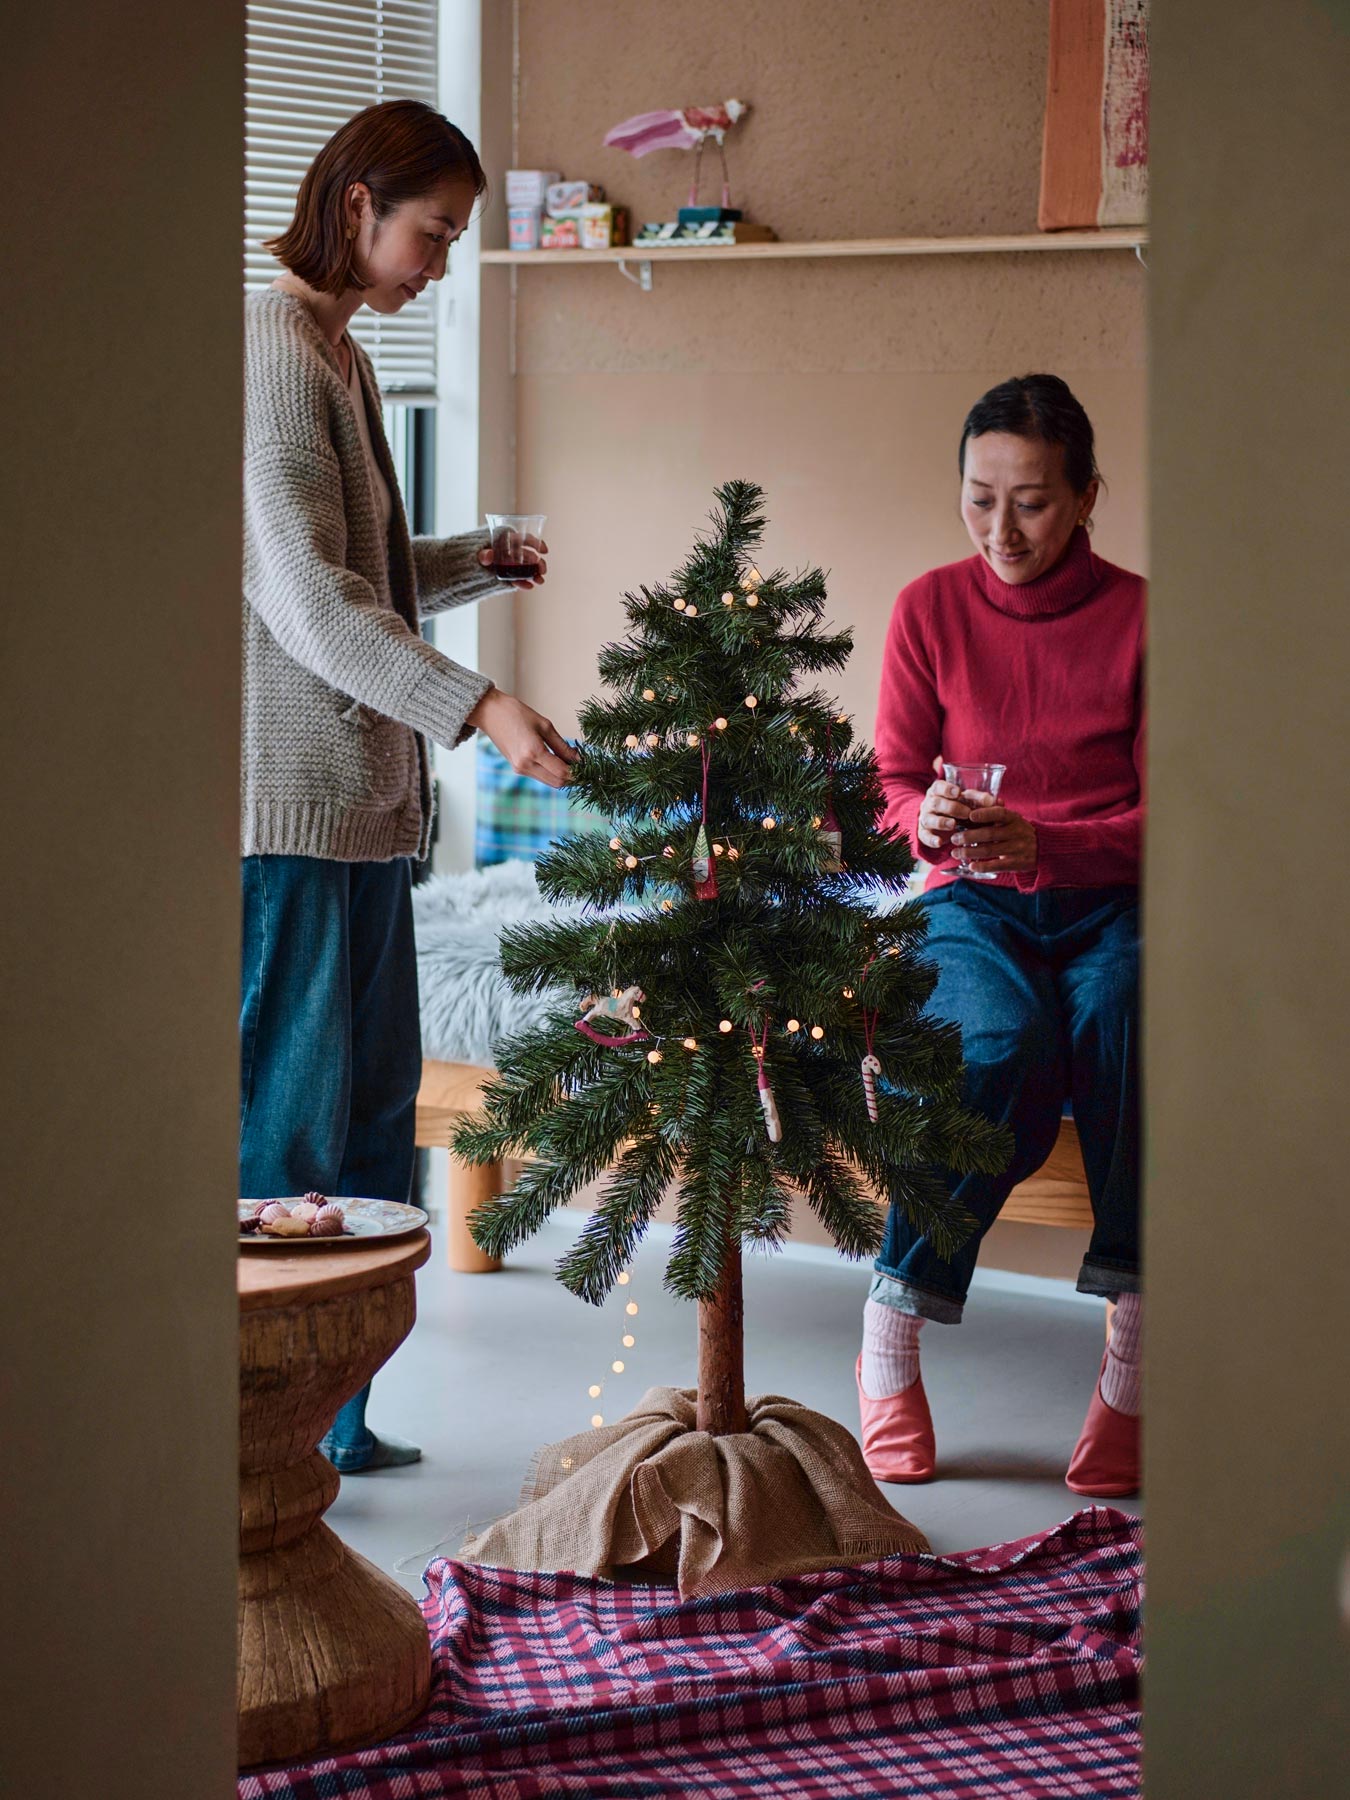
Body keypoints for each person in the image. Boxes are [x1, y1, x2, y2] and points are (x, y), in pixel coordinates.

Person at [241, 100, 577, 1472]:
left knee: (375, 1130)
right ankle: (259, 1435)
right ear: (360, 203)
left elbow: (364, 574)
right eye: (430, 234)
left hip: (371, 818)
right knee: (295, 1136)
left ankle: (335, 1422)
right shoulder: (270, 354)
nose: (437, 264)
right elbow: (312, 607)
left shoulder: (339, 357)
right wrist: (482, 704)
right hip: (298, 816)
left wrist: (474, 560)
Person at [859, 374, 1143, 1499]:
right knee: (996, 1047)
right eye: (979, 499)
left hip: (1112, 902)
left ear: (1084, 497)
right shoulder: (928, 608)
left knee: (1126, 1029)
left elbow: (1181, 818)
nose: (1002, 531)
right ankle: (892, 1321)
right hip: (970, 904)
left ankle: (1134, 1348)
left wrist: (1050, 846)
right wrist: (916, 819)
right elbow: (888, 785)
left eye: (1030, 502)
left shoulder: (1141, 616)